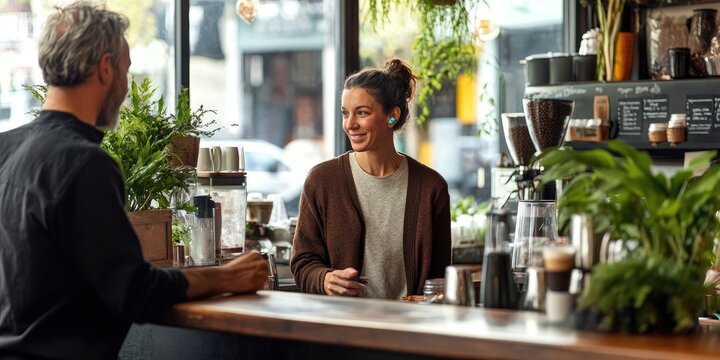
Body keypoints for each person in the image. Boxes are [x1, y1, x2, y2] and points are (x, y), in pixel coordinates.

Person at [0, 2, 268, 359]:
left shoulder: (5, 147)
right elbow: (135, 291)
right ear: (106, 68)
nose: (127, 87)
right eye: (127, 70)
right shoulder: (85, 164)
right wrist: (227, 277)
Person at [291, 59, 451, 299]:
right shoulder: (322, 181)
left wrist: (432, 298)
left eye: (362, 113)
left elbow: (440, 279)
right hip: (345, 329)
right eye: (346, 114)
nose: (350, 124)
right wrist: (324, 279)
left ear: (391, 117)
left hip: (409, 330)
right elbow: (303, 262)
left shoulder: (431, 188)